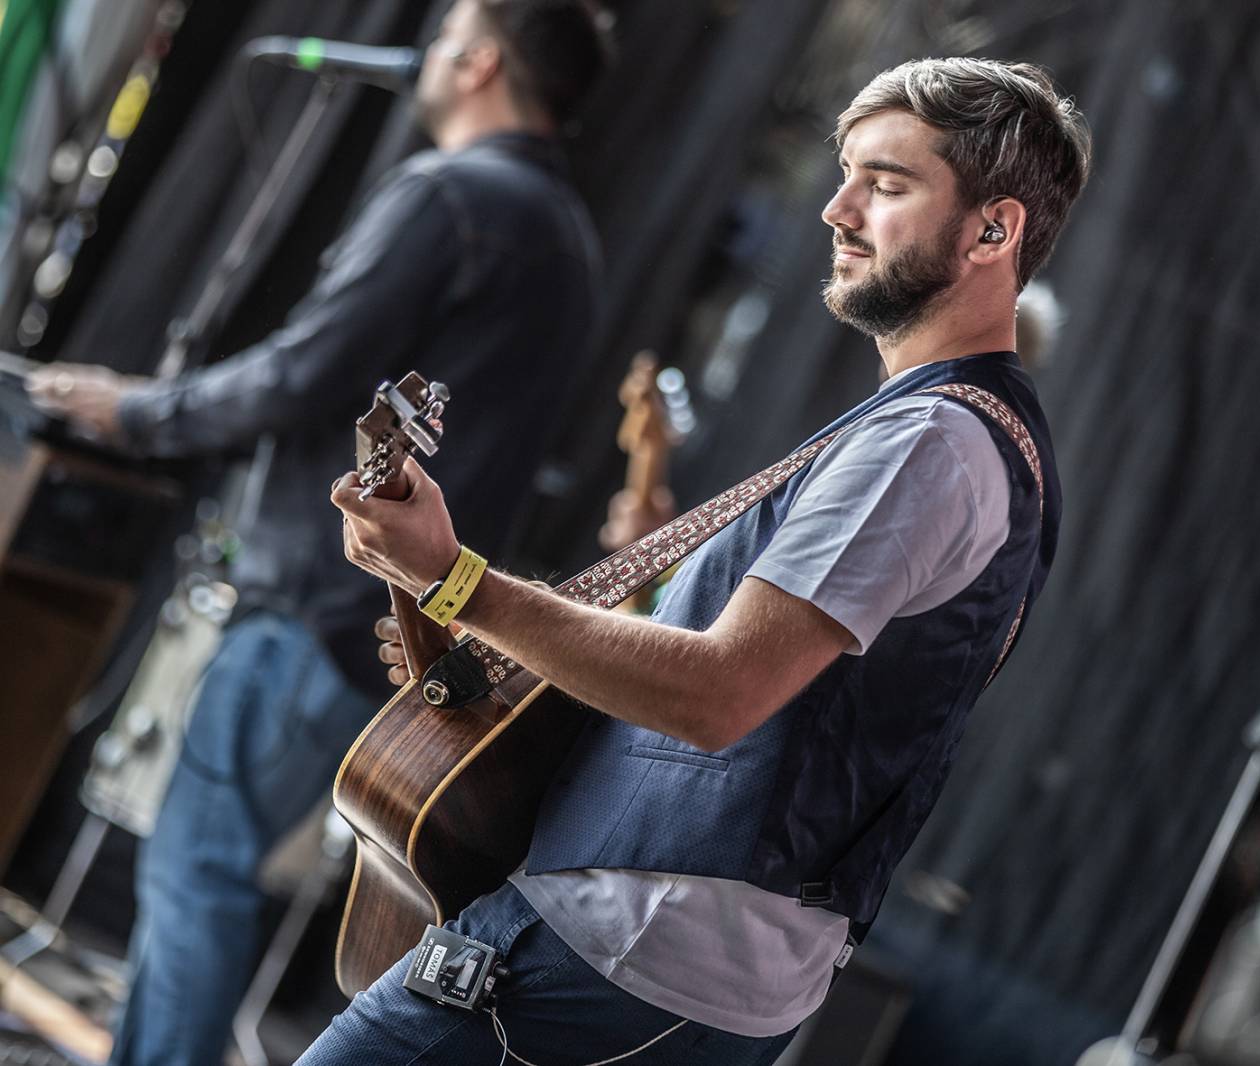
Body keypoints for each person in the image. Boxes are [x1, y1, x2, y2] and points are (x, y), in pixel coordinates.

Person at [318, 56, 1090, 1066]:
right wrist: (480, 626)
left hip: (615, 948)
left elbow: (720, 693)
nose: (837, 209)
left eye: (887, 184)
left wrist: (459, 582)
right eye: (847, 173)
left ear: (994, 230)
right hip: (659, 961)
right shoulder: (944, 432)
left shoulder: (927, 443)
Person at [26, 3, 614, 1064]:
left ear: (479, 62)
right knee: (214, 863)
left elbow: (306, 372)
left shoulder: (453, 194)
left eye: (446, 33)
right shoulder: (568, 235)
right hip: (403, 621)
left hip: (321, 597)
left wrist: (135, 410)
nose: (427, 50)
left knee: (197, 865)